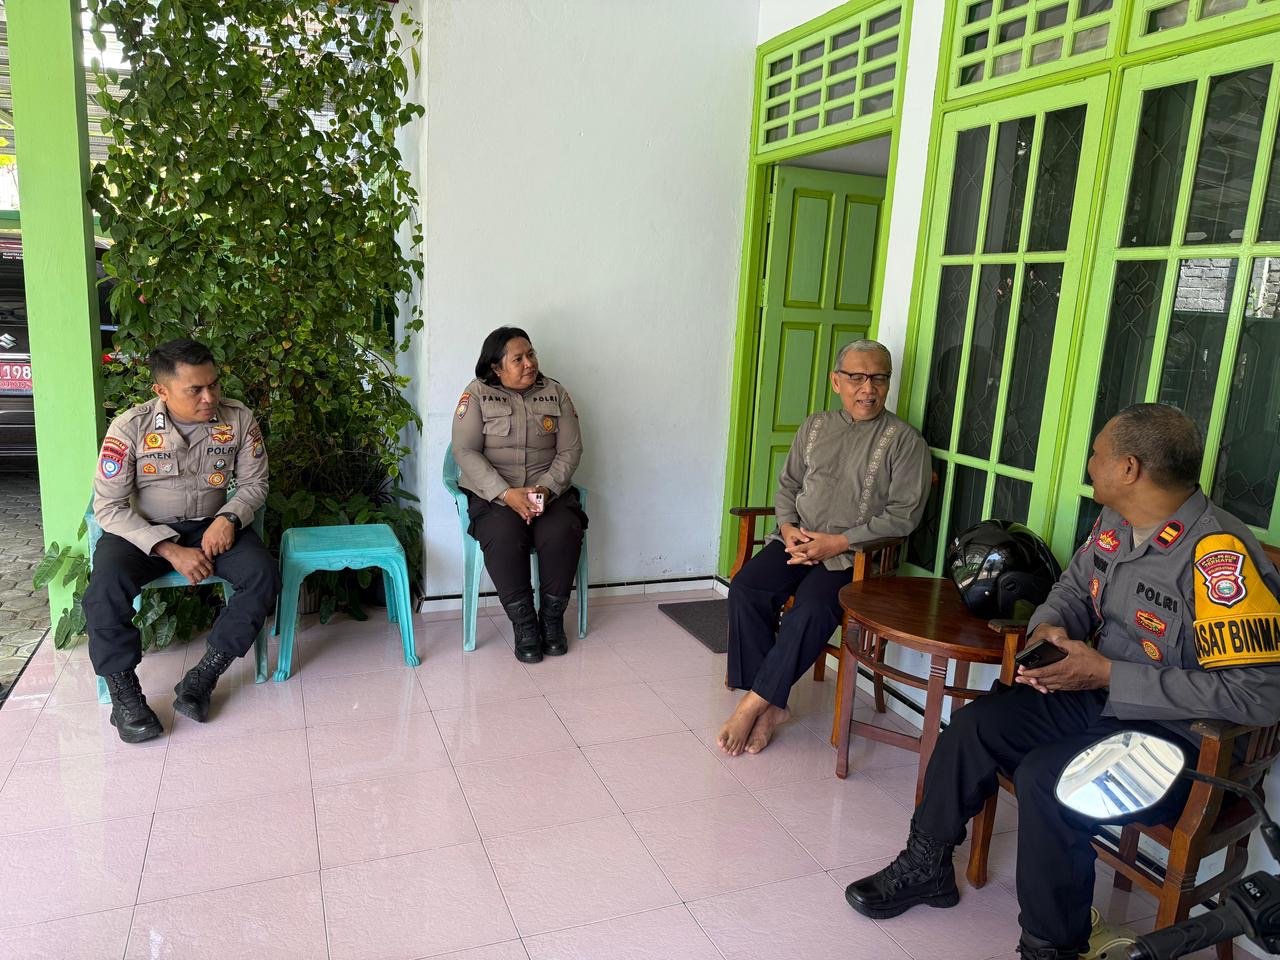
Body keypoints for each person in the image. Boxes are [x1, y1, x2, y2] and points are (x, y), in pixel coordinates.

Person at [843, 403, 1280, 960]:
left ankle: (1051, 947)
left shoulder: (1220, 558)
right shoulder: (1117, 521)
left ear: (1129, 468)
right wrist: (1050, 625)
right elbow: (1073, 588)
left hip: (1182, 742)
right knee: (976, 726)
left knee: (1049, 780)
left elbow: (1260, 694)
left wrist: (1109, 673)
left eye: (1096, 454)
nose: (1088, 464)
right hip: (1100, 699)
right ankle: (926, 866)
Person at [717, 339, 932, 756]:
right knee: (747, 587)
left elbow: (904, 516)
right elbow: (788, 486)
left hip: (854, 556)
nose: (868, 388)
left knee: (813, 609)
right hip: (798, 540)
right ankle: (771, 702)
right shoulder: (815, 427)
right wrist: (787, 528)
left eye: (879, 378)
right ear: (836, 381)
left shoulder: (906, 442)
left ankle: (755, 705)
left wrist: (839, 542)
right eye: (857, 377)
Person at [84, 338, 281, 743]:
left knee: (262, 574)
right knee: (104, 589)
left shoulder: (238, 419)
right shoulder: (130, 427)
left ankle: (204, 675)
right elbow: (109, 506)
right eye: (195, 389)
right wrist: (168, 549)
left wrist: (229, 517)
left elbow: (255, 484)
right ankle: (125, 697)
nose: (210, 397)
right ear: (162, 390)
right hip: (142, 532)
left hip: (211, 526)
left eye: (214, 384)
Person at [452, 327, 586, 664]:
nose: (529, 363)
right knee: (503, 534)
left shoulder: (555, 393)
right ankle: (525, 625)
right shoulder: (477, 394)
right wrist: (505, 493)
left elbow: (570, 450)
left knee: (563, 530)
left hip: (547, 492)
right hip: (494, 495)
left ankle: (551, 622)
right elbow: (465, 451)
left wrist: (546, 488)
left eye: (531, 354)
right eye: (518, 359)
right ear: (496, 367)